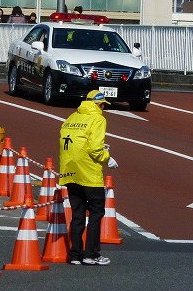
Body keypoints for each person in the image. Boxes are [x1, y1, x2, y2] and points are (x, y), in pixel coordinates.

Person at [59, 90, 118, 266]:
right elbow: (94, 149)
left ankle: (75, 254)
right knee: (96, 212)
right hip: (89, 173)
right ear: (98, 104)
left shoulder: (72, 117)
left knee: (77, 213)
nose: (104, 109)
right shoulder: (98, 119)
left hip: (70, 170)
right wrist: (107, 156)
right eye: (103, 105)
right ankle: (91, 254)